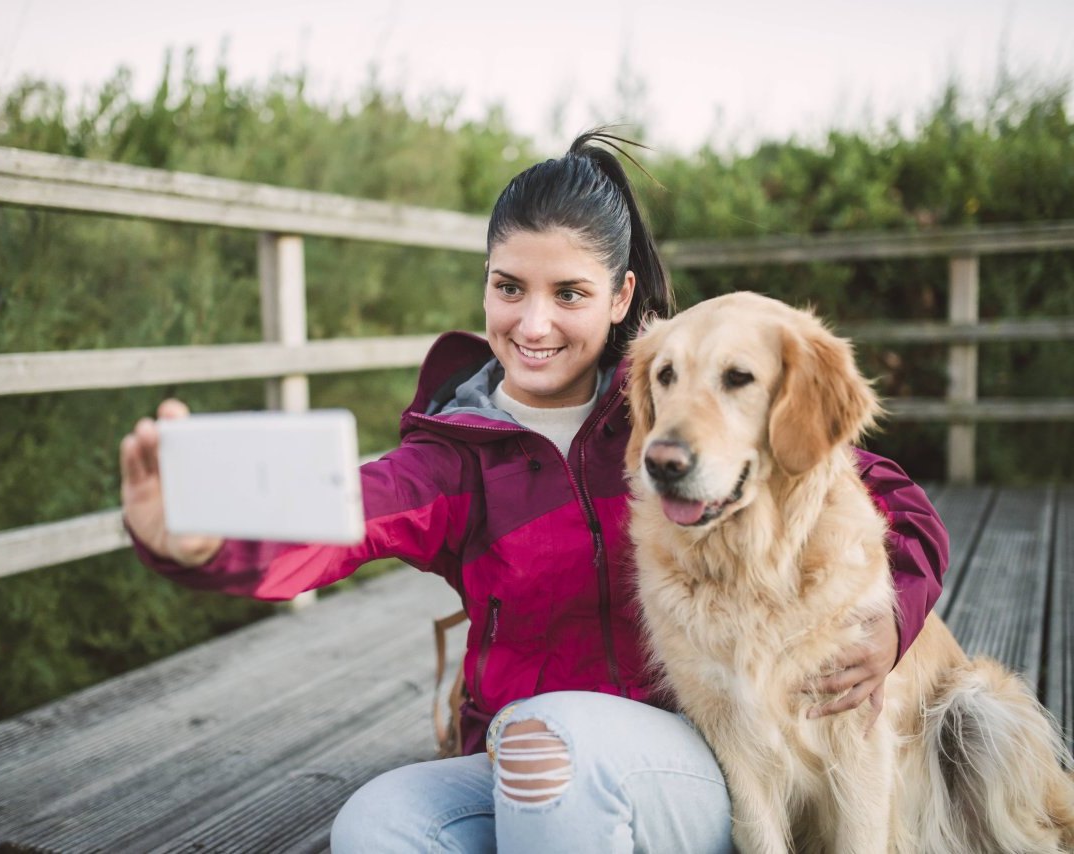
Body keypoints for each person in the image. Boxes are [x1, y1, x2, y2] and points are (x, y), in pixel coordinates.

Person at [120, 130, 948, 853]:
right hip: (517, 758)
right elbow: (343, 516)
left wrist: (891, 621)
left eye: (570, 294)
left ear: (622, 296)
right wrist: (202, 539)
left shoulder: (671, 422)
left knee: (556, 740)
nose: (534, 323)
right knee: (377, 824)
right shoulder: (457, 454)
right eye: (509, 286)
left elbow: (886, 499)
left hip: (686, 758)